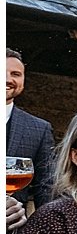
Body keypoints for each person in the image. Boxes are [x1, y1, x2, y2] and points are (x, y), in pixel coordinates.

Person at [5, 48, 56, 207]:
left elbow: (46, 187)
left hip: (11, 228)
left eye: (16, 74)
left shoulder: (39, 129)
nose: (7, 79)